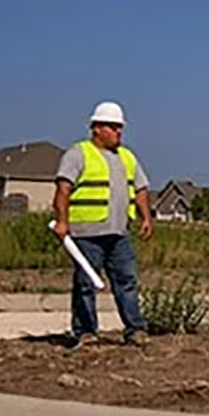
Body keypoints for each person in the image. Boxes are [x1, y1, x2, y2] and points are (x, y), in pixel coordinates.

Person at [53, 101, 153, 347]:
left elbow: (140, 189)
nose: (118, 132)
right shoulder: (78, 154)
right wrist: (63, 222)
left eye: (120, 128)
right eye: (113, 127)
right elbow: (63, 190)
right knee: (85, 284)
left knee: (126, 282)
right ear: (96, 128)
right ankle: (85, 331)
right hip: (87, 234)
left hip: (119, 233)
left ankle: (135, 329)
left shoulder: (127, 157)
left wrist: (146, 217)